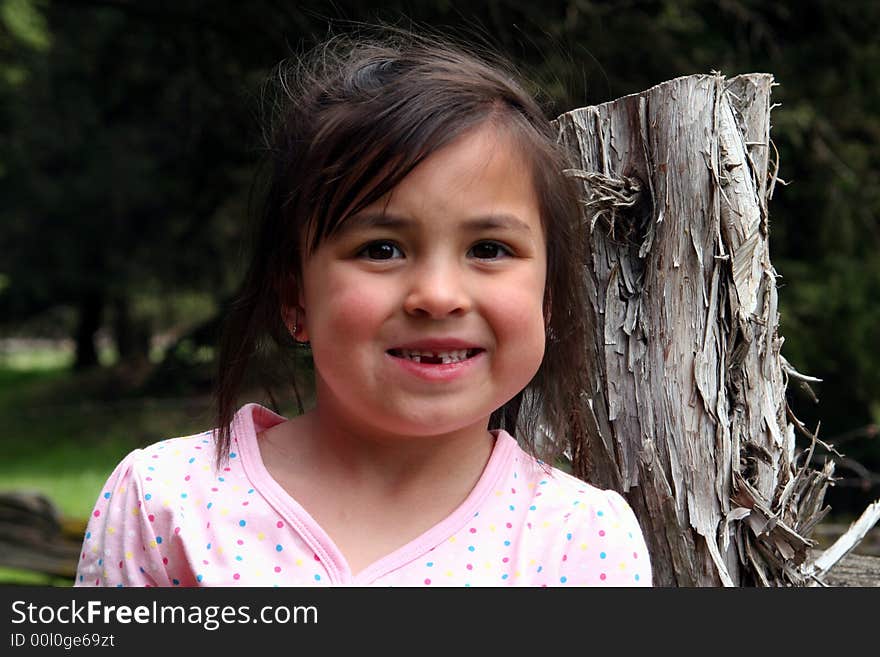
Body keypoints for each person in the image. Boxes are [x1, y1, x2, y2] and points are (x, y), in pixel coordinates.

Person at [74, 29, 652, 587]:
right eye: (381, 249)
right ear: (294, 297)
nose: (438, 295)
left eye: (489, 250)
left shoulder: (580, 541)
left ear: (547, 298)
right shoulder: (164, 504)